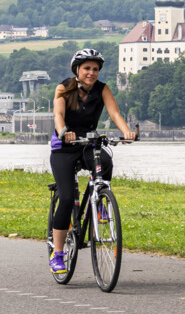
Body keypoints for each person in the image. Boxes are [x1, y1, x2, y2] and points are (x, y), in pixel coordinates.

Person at [49, 48, 137, 274]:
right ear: (77, 69)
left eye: (95, 69)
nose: (91, 73)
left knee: (105, 161)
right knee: (67, 198)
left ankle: (99, 203)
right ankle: (57, 254)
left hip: (88, 143)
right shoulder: (64, 88)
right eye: (87, 68)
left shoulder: (102, 89)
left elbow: (114, 113)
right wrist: (63, 131)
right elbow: (58, 115)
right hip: (65, 147)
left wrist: (126, 132)